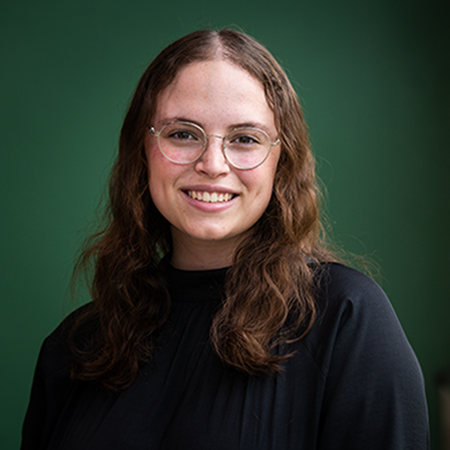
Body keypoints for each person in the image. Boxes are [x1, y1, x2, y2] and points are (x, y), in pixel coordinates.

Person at [21, 29, 429, 450]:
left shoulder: (346, 320)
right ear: (141, 149)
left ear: (281, 161)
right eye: (183, 133)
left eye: (245, 139)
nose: (212, 164)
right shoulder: (77, 346)